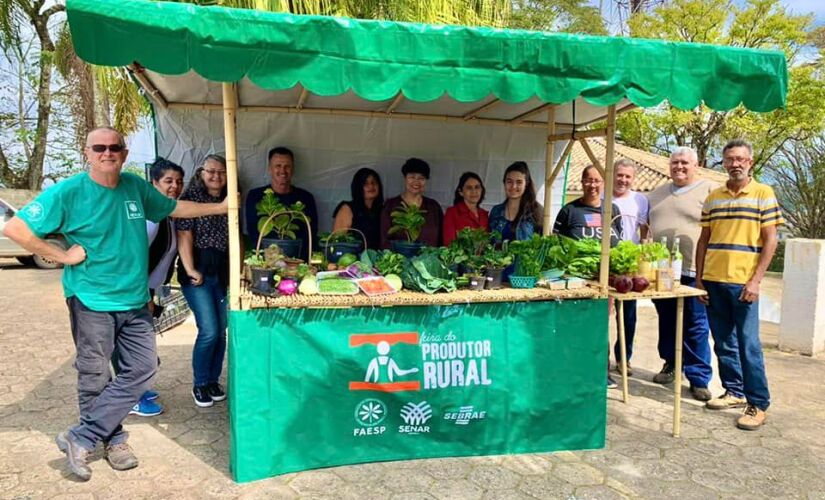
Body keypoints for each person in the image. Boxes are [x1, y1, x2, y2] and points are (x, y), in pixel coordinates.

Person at [2, 127, 227, 481]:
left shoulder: (136, 187)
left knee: (143, 368)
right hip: (91, 299)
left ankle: (81, 436)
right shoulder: (69, 191)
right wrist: (60, 255)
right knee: (94, 375)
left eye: (115, 147)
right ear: (87, 152)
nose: (108, 153)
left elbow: (174, 207)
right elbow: (16, 228)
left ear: (124, 154)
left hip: (135, 300)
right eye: (100, 147)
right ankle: (114, 439)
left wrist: (221, 206)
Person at [695, 139, 783, 430]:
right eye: (730, 159)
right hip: (714, 280)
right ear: (724, 162)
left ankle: (757, 403)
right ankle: (733, 391)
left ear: (750, 163)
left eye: (740, 159)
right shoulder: (714, 197)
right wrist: (699, 279)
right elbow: (704, 239)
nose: (735, 164)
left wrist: (756, 280)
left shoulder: (763, 193)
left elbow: (771, 240)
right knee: (723, 342)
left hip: (744, 283)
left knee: (749, 345)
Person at [112, 157, 185, 418]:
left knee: (139, 342)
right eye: (168, 181)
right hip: (131, 290)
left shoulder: (165, 213)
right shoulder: (148, 218)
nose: (174, 186)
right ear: (153, 183)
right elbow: (134, 258)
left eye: (178, 181)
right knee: (131, 345)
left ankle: (137, 391)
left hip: (145, 289)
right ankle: (130, 398)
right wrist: (144, 294)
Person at [647, 147, 716, 401]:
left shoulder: (708, 191)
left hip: (694, 271)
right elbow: (646, 228)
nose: (679, 167)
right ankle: (670, 363)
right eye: (675, 162)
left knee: (696, 324)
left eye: (685, 163)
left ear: (695, 165)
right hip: (662, 271)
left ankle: (698, 378)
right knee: (666, 320)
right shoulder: (656, 194)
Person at [553, 164, 621, 389]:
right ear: (581, 182)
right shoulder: (569, 211)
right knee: (575, 326)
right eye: (588, 180)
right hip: (575, 280)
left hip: (604, 280)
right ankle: (573, 371)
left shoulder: (612, 210)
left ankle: (602, 372)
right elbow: (556, 245)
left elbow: (619, 244)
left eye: (597, 180)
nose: (592, 185)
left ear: (603, 183)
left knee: (600, 327)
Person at [176, 155, 230, 409]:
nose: (216, 176)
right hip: (198, 273)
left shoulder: (230, 199)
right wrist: (189, 268)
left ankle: (212, 381)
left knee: (221, 331)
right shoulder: (191, 199)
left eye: (222, 172)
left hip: (221, 273)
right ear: (201, 172)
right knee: (208, 330)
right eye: (211, 171)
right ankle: (200, 382)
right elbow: (184, 234)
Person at [610, 159, 650, 378]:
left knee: (627, 316)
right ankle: (601, 356)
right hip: (607, 263)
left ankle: (624, 358)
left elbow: (644, 231)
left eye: (627, 176)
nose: (623, 180)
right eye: (619, 175)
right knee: (603, 313)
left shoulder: (640, 200)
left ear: (633, 179)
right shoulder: (604, 197)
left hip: (630, 264)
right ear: (613, 174)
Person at [244, 147, 318, 260]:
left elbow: (311, 233)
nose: (283, 171)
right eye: (278, 166)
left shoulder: (305, 197)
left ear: (293, 169)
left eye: (287, 166)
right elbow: (254, 231)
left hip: (297, 259)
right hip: (266, 259)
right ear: (270, 169)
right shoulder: (256, 196)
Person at [380, 158, 443, 248]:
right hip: (400, 261)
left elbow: (441, 240)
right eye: (412, 177)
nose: (416, 182)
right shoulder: (390, 206)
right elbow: (384, 240)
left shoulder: (433, 207)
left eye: (421, 178)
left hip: (429, 260)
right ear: (405, 178)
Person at [489, 161, 543, 241]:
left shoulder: (536, 212)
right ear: (504, 183)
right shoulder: (496, 211)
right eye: (509, 181)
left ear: (526, 184)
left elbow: (543, 244)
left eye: (519, 182)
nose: (513, 186)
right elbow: (490, 241)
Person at [332, 167, 384, 250]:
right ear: (358, 187)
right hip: (352, 261)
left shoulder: (384, 209)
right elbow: (336, 243)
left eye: (374, 182)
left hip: (379, 260)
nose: (371, 186)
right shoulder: (347, 209)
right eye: (365, 183)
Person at [442, 172, 489, 246]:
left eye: (477, 187)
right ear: (461, 192)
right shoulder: (452, 212)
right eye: (469, 188)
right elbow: (449, 244)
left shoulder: (484, 214)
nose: (474, 191)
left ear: (482, 190)